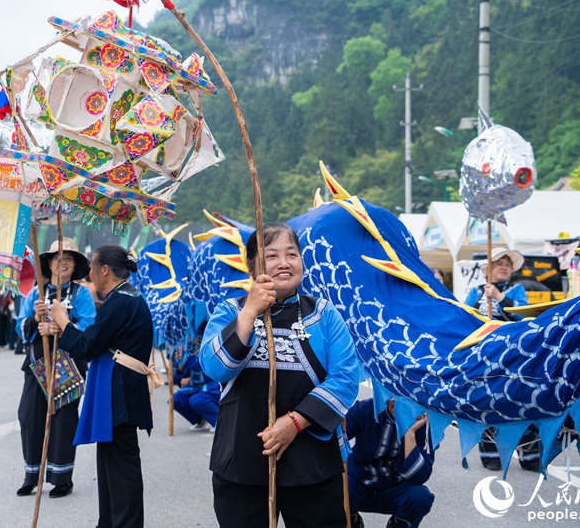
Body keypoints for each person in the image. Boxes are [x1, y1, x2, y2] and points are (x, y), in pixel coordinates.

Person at [199, 223, 361, 528]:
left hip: (312, 459)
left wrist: (295, 421)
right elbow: (214, 367)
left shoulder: (324, 314)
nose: (284, 262)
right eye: (271, 255)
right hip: (241, 458)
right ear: (251, 266)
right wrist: (250, 312)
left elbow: (346, 378)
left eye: (292, 254)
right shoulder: (228, 311)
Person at [50, 244, 154, 528]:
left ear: (104, 270)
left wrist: (63, 321)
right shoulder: (125, 297)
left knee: (122, 467)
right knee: (111, 462)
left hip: (119, 392)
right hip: (119, 390)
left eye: (93, 268)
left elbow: (88, 345)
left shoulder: (122, 301)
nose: (90, 275)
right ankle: (108, 522)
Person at [15, 238, 96, 499]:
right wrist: (35, 320)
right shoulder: (35, 293)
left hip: (68, 365)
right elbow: (20, 326)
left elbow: (89, 326)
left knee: (63, 422)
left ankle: (62, 478)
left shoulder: (81, 293)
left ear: (74, 267)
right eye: (57, 258)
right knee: (29, 417)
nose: (62, 262)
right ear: (48, 263)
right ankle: (32, 475)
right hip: (37, 364)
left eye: (69, 259)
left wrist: (60, 328)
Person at [464, 247, 539, 472]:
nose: (505, 266)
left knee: (523, 402)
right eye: (499, 263)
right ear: (488, 268)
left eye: (508, 263)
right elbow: (464, 318)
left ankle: (530, 454)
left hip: (515, 358)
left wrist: (499, 298)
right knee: (486, 403)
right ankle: (490, 454)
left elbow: (526, 315)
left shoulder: (517, 291)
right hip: (484, 358)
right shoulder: (475, 292)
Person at [346, 398, 434, 528]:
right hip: (360, 481)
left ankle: (396, 524)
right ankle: (351, 521)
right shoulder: (365, 409)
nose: (395, 401)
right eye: (391, 395)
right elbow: (335, 439)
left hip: (397, 487)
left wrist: (410, 433)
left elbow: (420, 476)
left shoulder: (425, 424)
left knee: (421, 497)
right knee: (336, 486)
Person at [172, 350, 220, 432]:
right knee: (175, 399)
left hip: (212, 385)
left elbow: (202, 366)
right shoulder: (187, 346)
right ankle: (201, 419)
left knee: (196, 400)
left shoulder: (209, 343)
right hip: (195, 385)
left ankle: (219, 422)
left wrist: (186, 359)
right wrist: (180, 367)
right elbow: (182, 375)